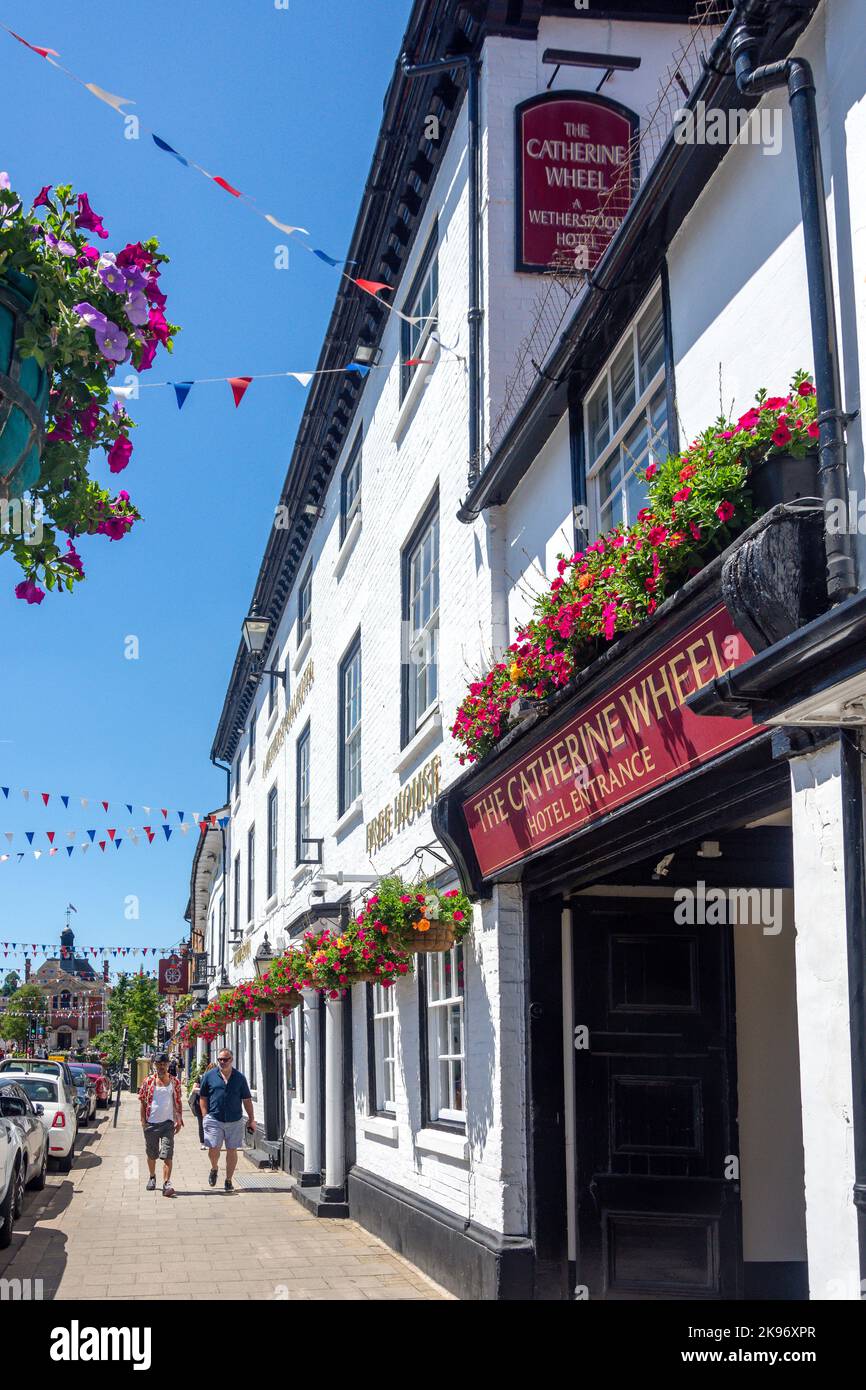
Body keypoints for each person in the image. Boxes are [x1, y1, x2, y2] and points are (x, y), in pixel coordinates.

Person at [199, 1047, 255, 1192]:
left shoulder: (239, 1078)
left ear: (232, 1060)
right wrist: (205, 1115)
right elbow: (203, 1097)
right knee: (213, 1148)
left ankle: (228, 1180)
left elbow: (247, 1099)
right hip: (214, 1118)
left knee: (232, 1149)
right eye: (220, 1060)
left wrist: (251, 1119)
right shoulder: (209, 1076)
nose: (222, 1062)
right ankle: (214, 1168)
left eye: (225, 1059)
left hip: (235, 1119)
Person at [138, 1052, 184, 1197]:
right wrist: (143, 1122)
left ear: (168, 1065)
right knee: (152, 1155)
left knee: (167, 1154)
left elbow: (178, 1101)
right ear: (155, 1065)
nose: (161, 1067)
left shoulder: (175, 1082)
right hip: (151, 1124)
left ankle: (166, 1183)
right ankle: (152, 1177)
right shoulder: (148, 1082)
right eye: (159, 1064)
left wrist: (178, 1118)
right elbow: (143, 1102)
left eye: (164, 1064)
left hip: (167, 1124)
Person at [189, 1062, 216, 1150]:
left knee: (211, 1123)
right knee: (202, 1123)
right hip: (199, 1104)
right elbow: (194, 1089)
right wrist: (204, 1090)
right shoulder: (200, 1077)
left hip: (212, 1104)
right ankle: (203, 1143)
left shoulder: (217, 1079)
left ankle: (211, 1142)